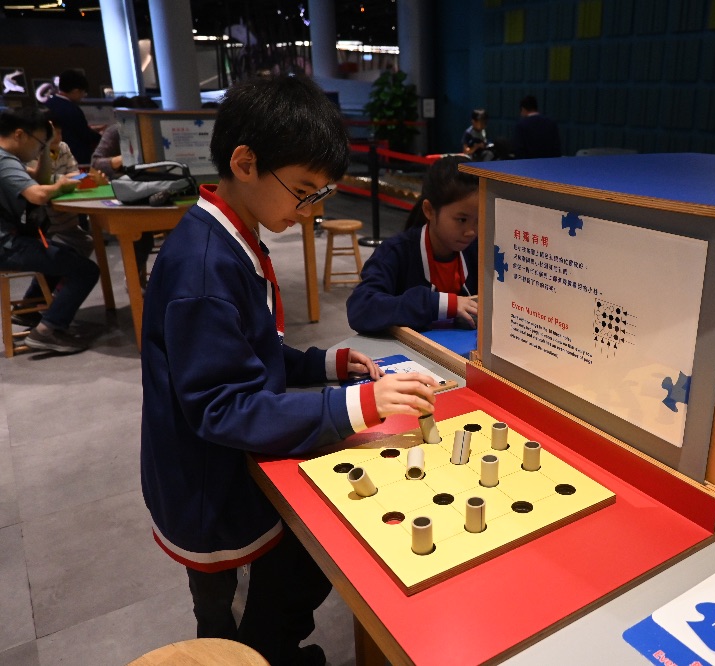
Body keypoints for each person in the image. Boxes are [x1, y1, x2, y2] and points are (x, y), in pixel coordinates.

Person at [139, 76, 438, 666]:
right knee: (234, 623)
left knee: (288, 581)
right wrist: (360, 404)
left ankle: (274, 646)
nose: (311, 208)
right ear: (244, 163)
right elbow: (223, 406)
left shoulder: (233, 236)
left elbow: (251, 352)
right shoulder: (204, 269)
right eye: (302, 191)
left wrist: (323, 363)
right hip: (211, 489)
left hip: (233, 471)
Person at [0, 107, 100, 353]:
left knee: (64, 253)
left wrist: (45, 148)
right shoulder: (4, 160)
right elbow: (37, 194)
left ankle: (28, 310)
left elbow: (39, 178)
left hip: (11, 240)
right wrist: (60, 186)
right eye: (39, 143)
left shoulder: (9, 159)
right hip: (6, 245)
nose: (39, 149)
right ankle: (48, 331)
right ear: (19, 135)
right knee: (86, 270)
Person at [346, 155, 479, 334]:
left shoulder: (478, 250)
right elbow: (360, 309)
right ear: (429, 210)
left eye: (479, 220)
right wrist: (439, 304)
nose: (471, 231)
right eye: (462, 220)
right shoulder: (395, 252)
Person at [91, 95, 159, 283]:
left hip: (161, 189)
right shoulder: (117, 131)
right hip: (132, 192)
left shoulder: (159, 130)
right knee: (142, 240)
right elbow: (96, 162)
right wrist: (124, 159)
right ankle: (134, 281)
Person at [26, 118, 95, 258]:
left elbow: (75, 173)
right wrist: (63, 180)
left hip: (66, 218)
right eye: (52, 134)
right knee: (52, 252)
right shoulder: (31, 151)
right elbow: (40, 181)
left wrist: (76, 178)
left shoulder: (63, 147)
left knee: (87, 243)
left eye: (59, 133)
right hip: (42, 219)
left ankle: (68, 270)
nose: (57, 138)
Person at [44, 69, 102, 165]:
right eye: (83, 92)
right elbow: (84, 134)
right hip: (76, 158)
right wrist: (103, 137)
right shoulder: (72, 109)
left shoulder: (48, 103)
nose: (83, 96)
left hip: (53, 155)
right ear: (76, 91)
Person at [511, 95, 561, 159]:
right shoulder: (551, 123)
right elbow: (557, 149)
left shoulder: (521, 125)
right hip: (549, 163)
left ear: (523, 109)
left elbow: (519, 150)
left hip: (529, 163)